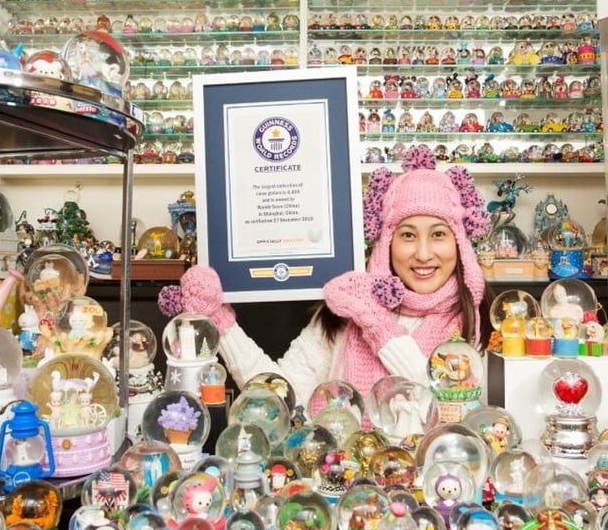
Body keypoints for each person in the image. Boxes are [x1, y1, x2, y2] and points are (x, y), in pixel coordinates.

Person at [159, 145, 489, 408]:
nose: (423, 253)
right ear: (386, 242)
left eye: (438, 235)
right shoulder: (348, 309)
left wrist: (376, 324)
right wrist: (219, 322)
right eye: (407, 235)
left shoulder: (476, 322)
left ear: (459, 242)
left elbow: (443, 407)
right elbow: (281, 395)